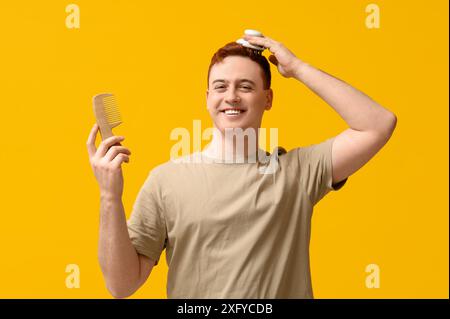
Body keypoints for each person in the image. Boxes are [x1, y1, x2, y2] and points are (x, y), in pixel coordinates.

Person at [86, 33, 397, 299]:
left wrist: (298, 68)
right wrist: (110, 197)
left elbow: (378, 124)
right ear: (208, 99)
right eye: (220, 87)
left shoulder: (297, 172)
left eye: (245, 86)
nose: (231, 96)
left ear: (268, 98)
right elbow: (121, 285)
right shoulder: (166, 181)